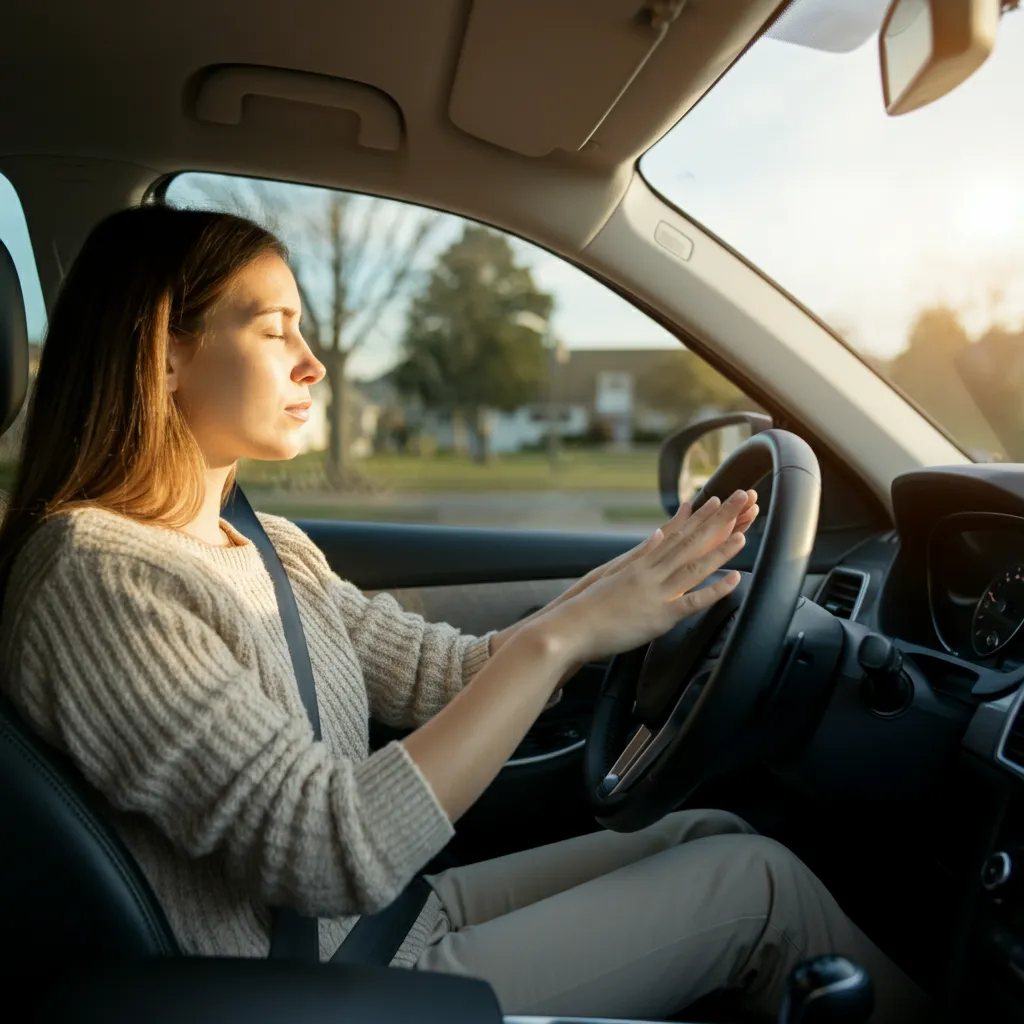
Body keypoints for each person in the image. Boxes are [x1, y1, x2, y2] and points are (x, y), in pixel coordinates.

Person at [0, 205, 931, 1023]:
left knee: (717, 834)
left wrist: (632, 582)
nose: (314, 362)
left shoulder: (267, 543)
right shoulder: (98, 580)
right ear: (163, 350)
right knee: (759, 889)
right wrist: (566, 635)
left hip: (376, 925)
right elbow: (334, 848)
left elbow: (441, 672)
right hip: (311, 988)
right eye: (275, 329)